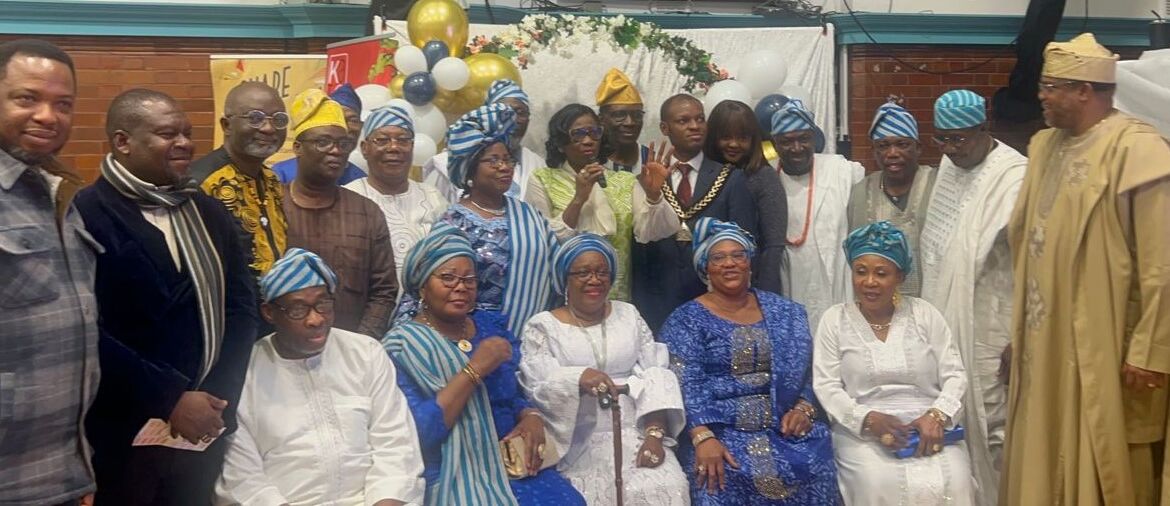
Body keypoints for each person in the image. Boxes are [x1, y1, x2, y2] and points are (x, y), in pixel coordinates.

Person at [1002, 33, 1170, 506]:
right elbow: (1030, 248)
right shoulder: (1044, 146)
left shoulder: (1137, 151)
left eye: (1052, 86)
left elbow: (1162, 264)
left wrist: (1149, 348)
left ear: (1085, 90)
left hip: (1102, 338)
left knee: (1104, 447)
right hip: (1044, 340)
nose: (1041, 96)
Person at [76, 89, 258, 505]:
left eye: (187, 133)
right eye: (166, 133)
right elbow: (87, 330)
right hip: (124, 429)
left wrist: (216, 400)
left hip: (205, 427)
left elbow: (242, 309)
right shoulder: (86, 214)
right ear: (123, 142)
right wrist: (171, 398)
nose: (184, 144)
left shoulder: (208, 212)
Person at [383, 224, 586, 506]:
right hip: (452, 468)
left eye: (469, 279)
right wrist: (474, 370)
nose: (461, 287)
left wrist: (530, 415)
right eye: (448, 278)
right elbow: (418, 433)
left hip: (510, 460)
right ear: (422, 287)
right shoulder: (401, 346)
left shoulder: (489, 326)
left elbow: (512, 395)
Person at [217, 248, 425, 506]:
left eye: (323, 304)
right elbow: (242, 478)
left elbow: (396, 445)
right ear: (270, 313)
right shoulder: (244, 373)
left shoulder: (365, 354)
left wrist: (386, 500)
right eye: (297, 309)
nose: (316, 319)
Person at [661, 218, 838, 504]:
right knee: (716, 480)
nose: (729, 263)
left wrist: (804, 409)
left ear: (750, 263)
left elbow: (808, 372)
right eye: (718, 257)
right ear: (705, 267)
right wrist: (702, 437)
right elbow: (684, 384)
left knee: (818, 460)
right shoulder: (685, 321)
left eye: (738, 255)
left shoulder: (785, 312)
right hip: (719, 431)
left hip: (782, 425)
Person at [0, 38, 101, 506]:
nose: (47, 116)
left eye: (62, 104)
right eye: (27, 98)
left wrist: (78, 470)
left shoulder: (58, 193)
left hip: (61, 474)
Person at [519, 234, 690, 505]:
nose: (594, 279)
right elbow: (538, 385)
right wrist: (577, 378)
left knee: (669, 485)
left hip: (637, 429)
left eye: (602, 272)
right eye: (583, 272)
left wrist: (655, 434)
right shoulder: (542, 326)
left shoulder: (629, 314)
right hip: (577, 438)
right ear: (566, 278)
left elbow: (656, 372)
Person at [812, 221, 973, 505]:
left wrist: (936, 416)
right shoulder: (834, 320)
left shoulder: (925, 314)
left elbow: (956, 375)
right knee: (876, 480)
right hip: (862, 431)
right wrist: (868, 419)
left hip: (928, 425)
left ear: (899, 276)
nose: (869, 282)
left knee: (954, 478)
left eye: (881, 273)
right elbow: (826, 385)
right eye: (861, 272)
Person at [918, 89, 1026, 506]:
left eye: (958, 139)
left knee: (992, 422)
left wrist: (1022, 334)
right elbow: (937, 246)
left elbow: (1037, 264)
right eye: (940, 138)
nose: (948, 149)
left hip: (995, 322)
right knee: (952, 412)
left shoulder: (1015, 176)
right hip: (947, 315)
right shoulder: (949, 163)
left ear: (985, 129)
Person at [398, 103, 557, 334]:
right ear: (470, 169)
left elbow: (554, 274)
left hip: (529, 334)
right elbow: (427, 283)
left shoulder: (531, 217)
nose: (504, 167)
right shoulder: (453, 222)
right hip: (468, 336)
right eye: (493, 160)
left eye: (508, 159)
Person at [632, 94, 757, 332]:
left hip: (716, 298)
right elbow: (640, 246)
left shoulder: (731, 178)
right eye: (684, 120)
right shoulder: (649, 178)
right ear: (664, 128)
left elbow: (746, 245)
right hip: (659, 297)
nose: (694, 126)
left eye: (700, 119)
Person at [282, 89, 397, 338]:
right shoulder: (272, 208)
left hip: (353, 355)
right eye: (323, 142)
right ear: (298, 148)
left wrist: (357, 347)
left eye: (343, 144)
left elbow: (384, 292)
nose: (335, 150)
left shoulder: (366, 212)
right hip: (282, 352)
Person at [770, 98, 865, 330]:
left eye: (804, 139)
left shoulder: (842, 171)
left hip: (836, 288)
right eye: (787, 141)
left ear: (814, 137)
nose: (796, 148)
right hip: (787, 286)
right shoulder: (766, 177)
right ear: (775, 143)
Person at [526, 104, 635, 299]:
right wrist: (579, 198)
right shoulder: (542, 179)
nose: (588, 141)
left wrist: (653, 197)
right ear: (560, 143)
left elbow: (649, 233)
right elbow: (543, 240)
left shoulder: (623, 180)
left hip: (617, 293)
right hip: (565, 294)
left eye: (594, 132)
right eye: (578, 134)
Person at [345, 104, 447, 299]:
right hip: (362, 316)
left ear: (412, 147)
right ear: (365, 149)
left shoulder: (433, 198)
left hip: (424, 316)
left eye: (403, 140)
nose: (393, 147)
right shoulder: (348, 198)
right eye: (382, 140)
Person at [191, 81, 288, 276]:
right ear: (226, 125)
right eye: (255, 118)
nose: (269, 128)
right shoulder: (200, 184)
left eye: (278, 120)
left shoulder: (271, 180)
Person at [847, 101, 936, 297]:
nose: (892, 153)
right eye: (883, 146)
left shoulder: (936, 185)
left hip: (932, 304)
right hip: (877, 307)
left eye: (902, 144)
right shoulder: (862, 191)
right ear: (874, 151)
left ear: (918, 148)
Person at [703, 99, 786, 295]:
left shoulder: (763, 177)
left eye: (742, 137)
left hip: (751, 287)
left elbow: (773, 246)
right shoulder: (704, 175)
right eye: (725, 137)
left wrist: (763, 297)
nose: (734, 144)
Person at [424, 79, 545, 203]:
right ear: (488, 117)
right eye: (505, 113)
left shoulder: (537, 165)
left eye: (521, 113)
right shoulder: (447, 164)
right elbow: (432, 214)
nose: (514, 120)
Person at [273, 83, 367, 185]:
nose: (344, 126)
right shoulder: (280, 175)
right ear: (297, 147)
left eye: (352, 120)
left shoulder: (360, 181)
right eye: (323, 142)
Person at [596, 68, 650, 174]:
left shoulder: (653, 160)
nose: (630, 122)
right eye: (619, 115)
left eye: (637, 115)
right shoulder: (588, 160)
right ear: (601, 119)